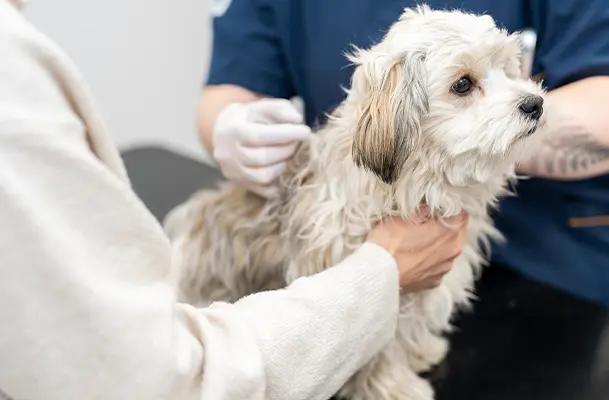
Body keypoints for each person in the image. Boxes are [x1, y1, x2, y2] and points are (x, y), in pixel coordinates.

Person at [0, 1, 469, 399]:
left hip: (525, 265)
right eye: (465, 85)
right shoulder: (15, 76)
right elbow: (150, 374)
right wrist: (230, 125)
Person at [198, 0, 609, 322]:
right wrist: (231, 126)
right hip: (371, 221)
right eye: (465, 85)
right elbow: (230, 89)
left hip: (568, 264)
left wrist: (474, 140)